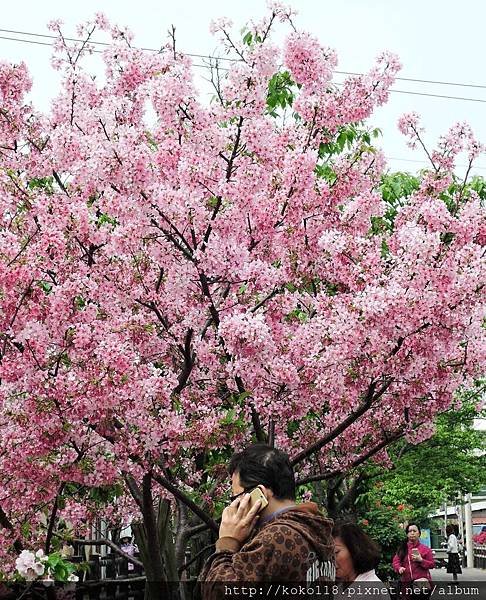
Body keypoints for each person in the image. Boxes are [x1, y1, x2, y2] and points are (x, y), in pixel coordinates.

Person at [200, 444, 335, 598]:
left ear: (260, 494)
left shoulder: (277, 536)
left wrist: (226, 543)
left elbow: (220, 594)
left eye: (236, 497)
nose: (233, 505)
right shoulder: (316, 529)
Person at [333, 522, 390, 600]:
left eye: (336, 552)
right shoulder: (342, 586)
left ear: (354, 550)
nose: (331, 559)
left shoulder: (371, 590)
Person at [392, 523, 434, 598]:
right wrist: (399, 568)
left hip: (421, 585)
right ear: (407, 534)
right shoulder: (402, 549)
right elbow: (395, 562)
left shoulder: (426, 549)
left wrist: (421, 560)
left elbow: (431, 564)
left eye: (414, 531)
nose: (412, 533)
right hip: (406, 585)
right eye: (409, 531)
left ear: (419, 533)